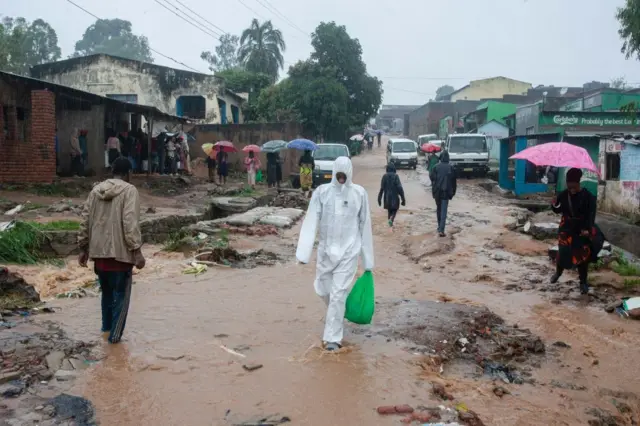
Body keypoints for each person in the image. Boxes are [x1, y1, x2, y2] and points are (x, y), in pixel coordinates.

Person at [296, 157, 374, 352]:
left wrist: (368, 260)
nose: (341, 179)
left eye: (344, 176)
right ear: (334, 174)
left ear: (349, 174)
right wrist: (303, 253)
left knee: (338, 294)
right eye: (338, 175)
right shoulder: (322, 193)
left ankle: (332, 338)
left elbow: (365, 226)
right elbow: (311, 221)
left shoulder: (359, 194)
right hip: (326, 252)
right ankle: (338, 313)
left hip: (349, 251)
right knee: (323, 290)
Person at [78, 157, 145, 344]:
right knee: (121, 301)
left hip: (99, 257)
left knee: (106, 297)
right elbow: (130, 222)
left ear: (112, 171)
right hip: (121, 256)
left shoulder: (95, 191)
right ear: (129, 173)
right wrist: (137, 251)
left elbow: (85, 220)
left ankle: (105, 332)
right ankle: (114, 344)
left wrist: (83, 248)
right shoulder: (129, 191)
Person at [550, 168, 604, 294]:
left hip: (581, 230)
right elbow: (558, 210)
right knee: (563, 252)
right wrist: (553, 204)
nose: (571, 188)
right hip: (566, 229)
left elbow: (591, 215)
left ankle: (583, 282)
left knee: (581, 257)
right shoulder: (563, 194)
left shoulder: (588, 197)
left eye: (573, 185)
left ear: (578, 182)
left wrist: (588, 229)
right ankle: (558, 273)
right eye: (569, 185)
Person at [429, 150, 457, 237]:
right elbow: (454, 182)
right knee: (444, 211)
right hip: (446, 192)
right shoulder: (451, 168)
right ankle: (441, 229)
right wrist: (453, 192)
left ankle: (439, 227)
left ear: (440, 158)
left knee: (439, 209)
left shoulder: (435, 167)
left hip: (437, 191)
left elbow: (431, 178)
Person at [378, 162, 406, 228]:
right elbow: (399, 188)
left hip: (386, 198)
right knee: (395, 210)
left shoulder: (384, 176)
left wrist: (379, 198)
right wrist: (403, 198)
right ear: (394, 168)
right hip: (395, 198)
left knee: (389, 211)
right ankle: (391, 220)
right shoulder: (396, 176)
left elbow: (381, 188)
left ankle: (390, 225)